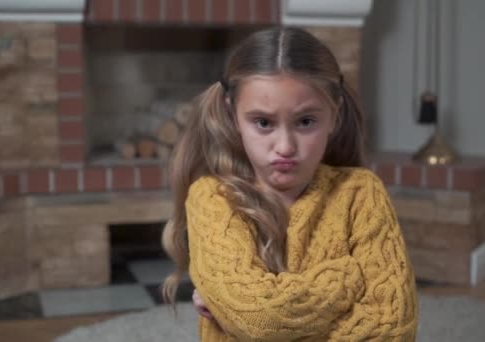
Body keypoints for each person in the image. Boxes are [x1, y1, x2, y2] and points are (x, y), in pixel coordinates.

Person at [162, 26, 418, 341]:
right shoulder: (214, 198)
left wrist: (256, 319)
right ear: (232, 116)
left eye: (306, 122)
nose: (284, 146)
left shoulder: (362, 193)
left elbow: (394, 329)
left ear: (334, 116)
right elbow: (260, 316)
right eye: (263, 123)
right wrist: (349, 277)